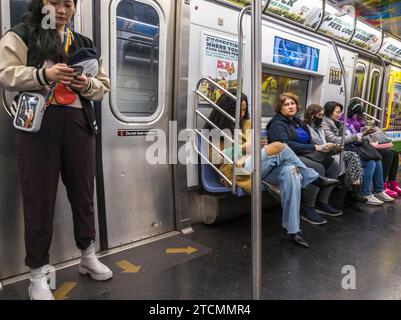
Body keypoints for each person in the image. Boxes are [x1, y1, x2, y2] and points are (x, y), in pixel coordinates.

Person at [0, 0, 112, 300]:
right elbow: (6, 73)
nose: (61, 10)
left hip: (78, 124)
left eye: (67, 4)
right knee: (39, 197)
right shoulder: (22, 34)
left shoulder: (84, 43)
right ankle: (37, 273)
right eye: (54, 2)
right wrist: (43, 76)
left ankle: (87, 255)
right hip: (37, 125)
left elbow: (103, 87)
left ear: (74, 8)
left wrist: (86, 83)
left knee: (83, 192)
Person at [206, 91, 338, 248]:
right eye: (238, 110)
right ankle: (314, 178)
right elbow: (215, 158)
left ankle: (293, 230)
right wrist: (243, 148)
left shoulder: (247, 124)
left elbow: (255, 148)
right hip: (237, 170)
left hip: (259, 164)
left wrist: (258, 146)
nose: (242, 114)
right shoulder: (215, 128)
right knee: (280, 146)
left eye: (244, 109)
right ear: (227, 109)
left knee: (291, 172)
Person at [266, 93, 342, 227]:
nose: (291, 107)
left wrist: (325, 148)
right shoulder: (277, 124)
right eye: (286, 104)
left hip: (306, 153)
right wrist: (315, 147)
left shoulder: (297, 121)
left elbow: (309, 139)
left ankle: (322, 202)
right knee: (317, 168)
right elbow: (284, 146)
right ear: (280, 108)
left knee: (334, 166)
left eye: (293, 103)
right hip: (287, 157)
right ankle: (308, 208)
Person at [321, 101, 394, 205]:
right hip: (336, 149)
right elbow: (334, 140)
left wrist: (363, 135)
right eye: (337, 112)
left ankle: (379, 190)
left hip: (348, 146)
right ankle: (366, 193)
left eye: (340, 112)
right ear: (329, 112)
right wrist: (358, 136)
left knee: (377, 159)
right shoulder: (325, 123)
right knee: (370, 162)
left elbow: (351, 135)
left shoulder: (340, 123)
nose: (339, 114)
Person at [304, 104, 366, 210]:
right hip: (317, 152)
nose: (321, 118)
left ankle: (353, 192)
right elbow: (330, 140)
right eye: (319, 115)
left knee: (358, 157)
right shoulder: (311, 127)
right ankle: (352, 192)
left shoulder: (321, 127)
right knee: (350, 156)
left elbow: (326, 141)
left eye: (322, 115)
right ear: (311, 115)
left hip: (327, 151)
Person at [347, 101, 401, 197]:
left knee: (394, 153)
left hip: (364, 144)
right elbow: (354, 137)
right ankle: (381, 185)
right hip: (359, 146)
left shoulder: (360, 122)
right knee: (386, 155)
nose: (358, 116)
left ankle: (392, 183)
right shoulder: (346, 122)